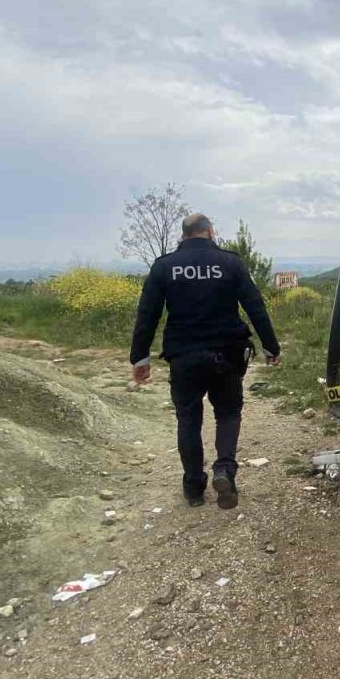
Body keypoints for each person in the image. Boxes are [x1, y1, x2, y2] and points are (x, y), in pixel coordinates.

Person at [129, 213, 281, 509]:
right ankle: (224, 469)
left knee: (188, 420)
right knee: (227, 414)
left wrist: (140, 358)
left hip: (184, 357)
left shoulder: (164, 267)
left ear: (184, 235)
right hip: (226, 354)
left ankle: (193, 487)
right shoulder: (230, 262)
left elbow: (147, 315)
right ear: (210, 232)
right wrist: (270, 346)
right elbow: (255, 306)